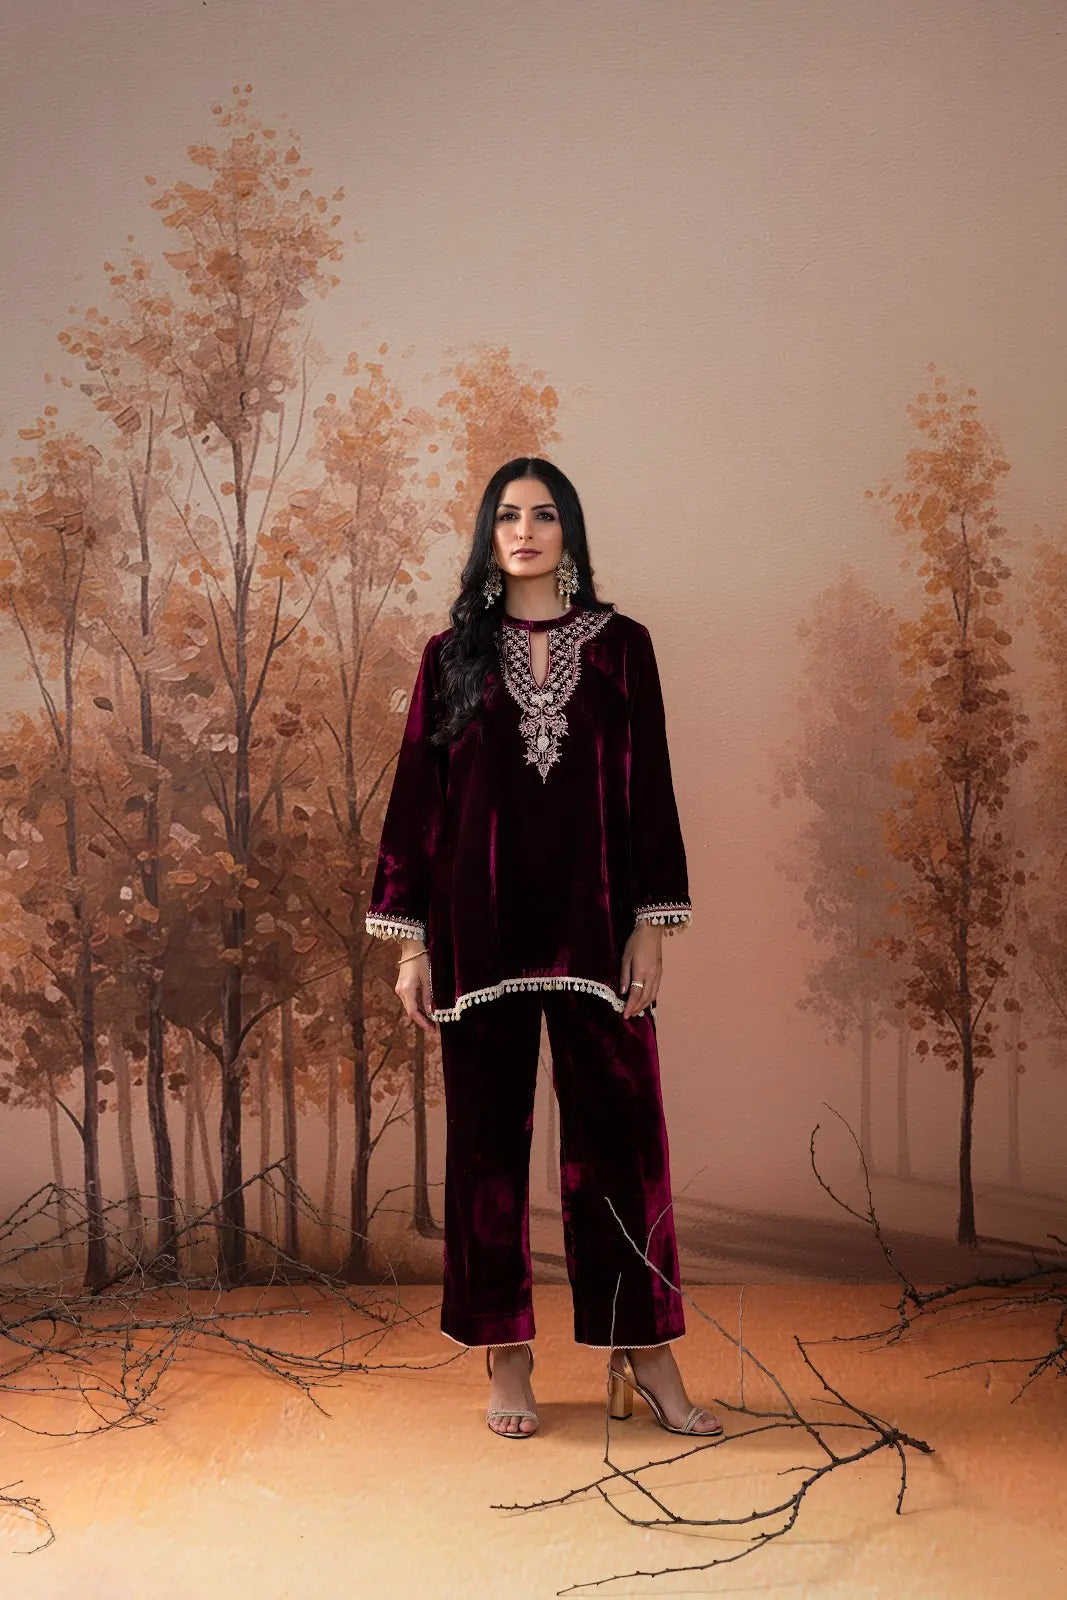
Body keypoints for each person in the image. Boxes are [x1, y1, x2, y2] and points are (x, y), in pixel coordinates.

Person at [365, 456, 721, 1440]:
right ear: (488, 535)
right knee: (485, 1150)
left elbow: (648, 791)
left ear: (569, 533)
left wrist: (650, 926)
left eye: (544, 514)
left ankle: (643, 1349)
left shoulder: (622, 649)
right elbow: (418, 801)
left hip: (595, 933)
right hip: (477, 935)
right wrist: (409, 946)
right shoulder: (450, 656)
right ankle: (505, 1353)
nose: (524, 530)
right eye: (508, 516)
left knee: (623, 1148)